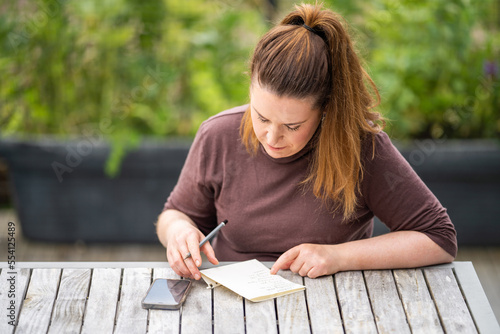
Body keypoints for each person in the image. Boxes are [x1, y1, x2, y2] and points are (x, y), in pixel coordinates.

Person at [156, 3, 457, 280]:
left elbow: (439, 238)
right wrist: (179, 230)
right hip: (229, 297)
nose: (271, 138)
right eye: (261, 117)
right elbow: (174, 213)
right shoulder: (217, 134)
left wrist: (337, 256)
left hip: (334, 302)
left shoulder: (362, 148)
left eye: (292, 125)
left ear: (326, 108)